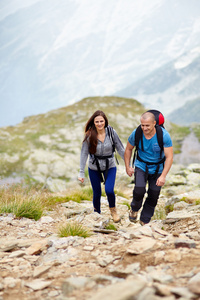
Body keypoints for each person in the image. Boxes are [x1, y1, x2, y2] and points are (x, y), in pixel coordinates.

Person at [124, 111, 173, 225]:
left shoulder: (163, 135)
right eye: (142, 125)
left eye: (147, 125)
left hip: (158, 169)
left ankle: (144, 221)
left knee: (154, 195)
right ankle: (134, 209)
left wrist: (163, 176)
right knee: (139, 189)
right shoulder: (137, 133)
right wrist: (128, 166)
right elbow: (128, 149)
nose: (144, 128)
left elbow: (169, 157)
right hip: (141, 165)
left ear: (154, 123)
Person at [78, 110, 125, 222]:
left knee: (109, 190)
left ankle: (113, 211)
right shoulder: (89, 135)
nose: (99, 124)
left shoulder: (111, 132)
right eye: (97, 121)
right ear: (93, 122)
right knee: (97, 192)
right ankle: (97, 214)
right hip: (94, 167)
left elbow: (120, 148)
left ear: (105, 121)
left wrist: (129, 165)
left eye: (101, 121)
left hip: (110, 166)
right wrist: (81, 172)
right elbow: (84, 153)